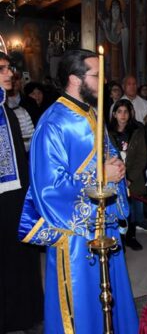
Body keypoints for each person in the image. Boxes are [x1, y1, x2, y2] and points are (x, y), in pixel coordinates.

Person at [18, 49, 138, 332]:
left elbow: (106, 155)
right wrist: (102, 175)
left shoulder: (92, 112)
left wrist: (116, 168)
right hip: (75, 235)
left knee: (111, 295)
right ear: (75, 79)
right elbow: (49, 190)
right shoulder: (53, 123)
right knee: (82, 305)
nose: (103, 82)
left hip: (103, 223)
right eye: (97, 75)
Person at [0, 53, 43, 333]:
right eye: (2, 69)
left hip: (15, 198)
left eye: (9, 68)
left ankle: (25, 315)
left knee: (21, 256)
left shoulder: (8, 112)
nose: (9, 73)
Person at [108, 99, 147, 251]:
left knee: (132, 209)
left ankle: (131, 237)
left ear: (130, 114)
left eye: (126, 112)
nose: (123, 115)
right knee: (116, 209)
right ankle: (118, 240)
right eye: (119, 112)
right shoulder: (107, 132)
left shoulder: (137, 131)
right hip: (114, 177)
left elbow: (141, 157)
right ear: (114, 114)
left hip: (132, 178)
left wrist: (130, 178)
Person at [98, 0, 129, 80]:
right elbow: (107, 36)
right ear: (110, 10)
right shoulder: (107, 22)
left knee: (118, 72)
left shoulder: (122, 24)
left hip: (118, 53)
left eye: (117, 9)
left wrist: (120, 31)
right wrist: (100, 21)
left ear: (120, 11)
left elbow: (119, 40)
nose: (115, 11)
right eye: (113, 9)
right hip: (108, 52)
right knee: (108, 71)